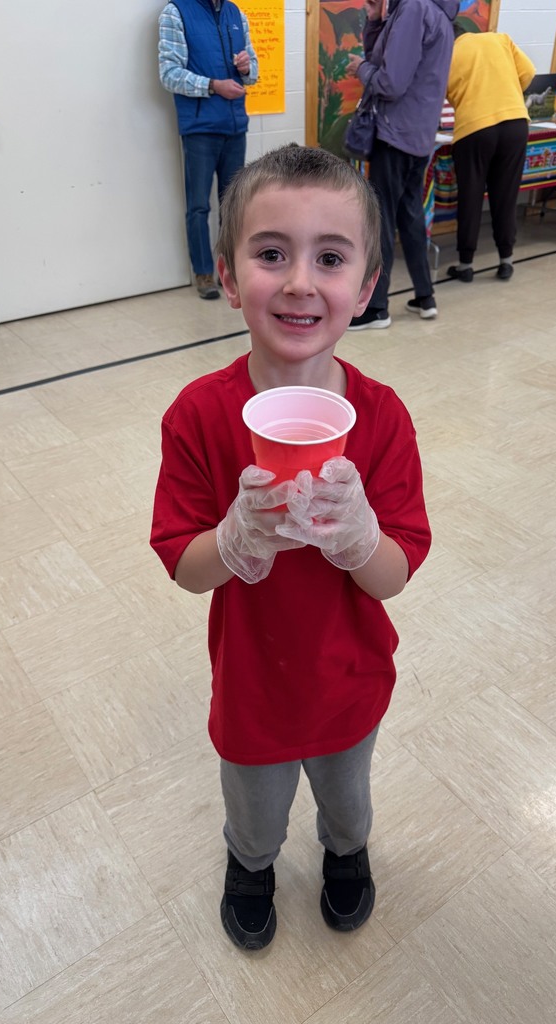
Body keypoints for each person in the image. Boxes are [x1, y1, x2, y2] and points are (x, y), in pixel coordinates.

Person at [150, 144, 431, 951]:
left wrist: (359, 536)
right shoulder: (198, 416)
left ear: (366, 286)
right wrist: (234, 541)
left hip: (351, 676)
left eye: (331, 257)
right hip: (251, 684)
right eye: (272, 254)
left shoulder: (383, 418)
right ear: (230, 277)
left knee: (348, 799)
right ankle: (251, 865)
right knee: (255, 807)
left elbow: (394, 575)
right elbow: (182, 564)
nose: (302, 281)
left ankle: (346, 855)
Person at [344, 0, 459, 329]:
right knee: (410, 213)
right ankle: (425, 296)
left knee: (380, 218)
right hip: (419, 135)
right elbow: (385, 59)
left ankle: (376, 307)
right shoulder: (437, 13)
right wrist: (375, 20)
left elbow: (391, 83)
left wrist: (360, 70)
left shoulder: (413, 8)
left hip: (395, 134)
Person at [158, 0, 258, 299]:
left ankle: (233, 272)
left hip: (235, 127)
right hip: (200, 129)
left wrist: (247, 67)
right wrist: (214, 85)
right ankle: (204, 274)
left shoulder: (236, 13)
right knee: (198, 207)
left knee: (234, 206)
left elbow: (252, 72)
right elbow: (169, 74)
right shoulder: (175, 12)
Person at [444, 23, 536, 282]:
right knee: (506, 195)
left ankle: (466, 265)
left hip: (474, 130)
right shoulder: (500, 39)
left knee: (471, 197)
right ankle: (506, 260)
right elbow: (528, 73)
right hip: (515, 123)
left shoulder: (446, 53)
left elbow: (441, 91)